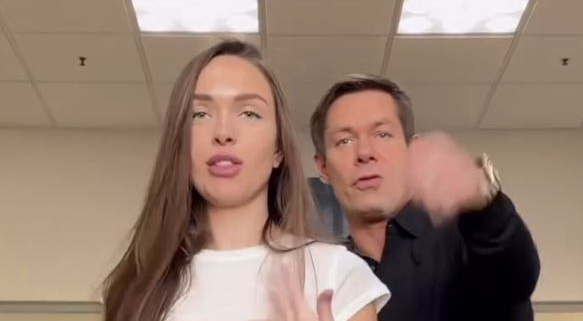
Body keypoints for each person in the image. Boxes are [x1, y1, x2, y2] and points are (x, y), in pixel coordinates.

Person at [101, 41, 390, 321]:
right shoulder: (135, 289)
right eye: (200, 114)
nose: (223, 132)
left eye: (249, 113)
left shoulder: (338, 274)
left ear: (278, 149)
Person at [309, 74, 540, 321]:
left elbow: (513, 275)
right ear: (323, 167)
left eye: (382, 134)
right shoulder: (327, 275)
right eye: (344, 141)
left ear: (411, 150)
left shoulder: (461, 241)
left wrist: (485, 204)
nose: (365, 153)